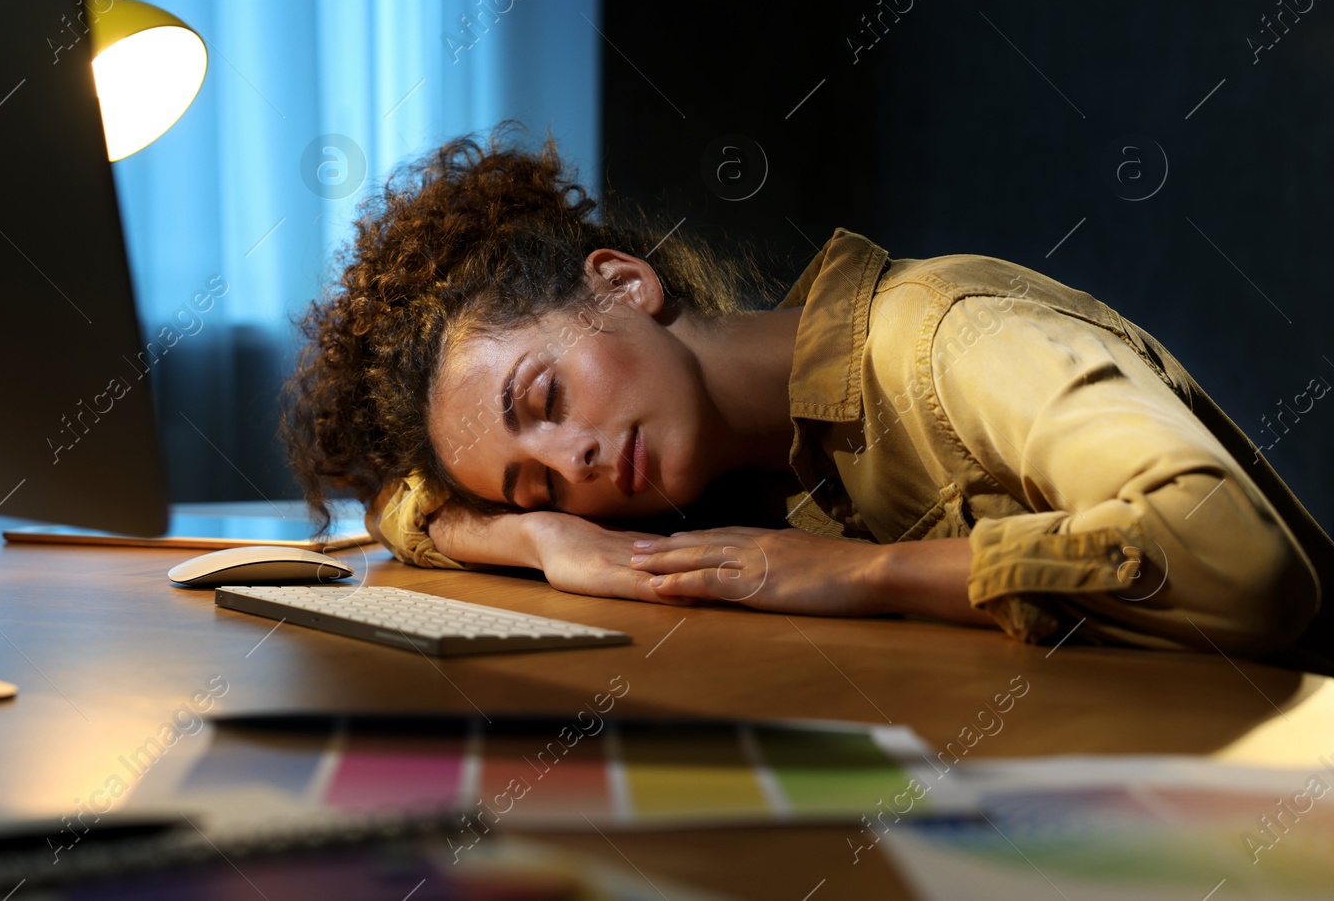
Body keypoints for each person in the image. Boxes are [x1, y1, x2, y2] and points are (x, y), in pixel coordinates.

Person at [281, 122, 1334, 671]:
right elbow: (402, 506)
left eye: (544, 397)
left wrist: (868, 572)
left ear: (621, 283)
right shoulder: (743, 470)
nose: (577, 467)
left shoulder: (944, 338)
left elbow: (1240, 565)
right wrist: (543, 541)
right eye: (535, 480)